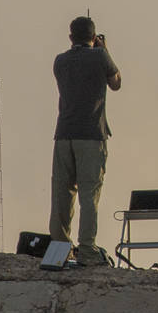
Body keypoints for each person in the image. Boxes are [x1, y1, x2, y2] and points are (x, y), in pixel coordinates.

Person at [49, 16, 121, 265]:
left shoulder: (60, 61)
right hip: (91, 135)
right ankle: (87, 250)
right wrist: (105, 50)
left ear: (71, 37)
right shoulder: (100, 57)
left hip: (64, 134)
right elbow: (116, 83)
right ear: (94, 37)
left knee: (61, 193)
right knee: (89, 195)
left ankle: (59, 250)